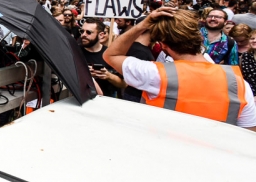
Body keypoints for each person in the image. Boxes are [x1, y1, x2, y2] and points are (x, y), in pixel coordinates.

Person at [104, 7, 256, 128]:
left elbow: (111, 56)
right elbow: (249, 133)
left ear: (162, 45)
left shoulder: (154, 74)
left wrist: (143, 25)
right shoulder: (240, 84)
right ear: (200, 38)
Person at [79, 18, 125, 98]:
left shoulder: (110, 55)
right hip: (82, 99)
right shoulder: (75, 52)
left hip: (106, 100)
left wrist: (108, 76)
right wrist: (83, 73)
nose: (83, 35)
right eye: (82, 31)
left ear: (101, 35)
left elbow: (123, 84)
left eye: (88, 32)